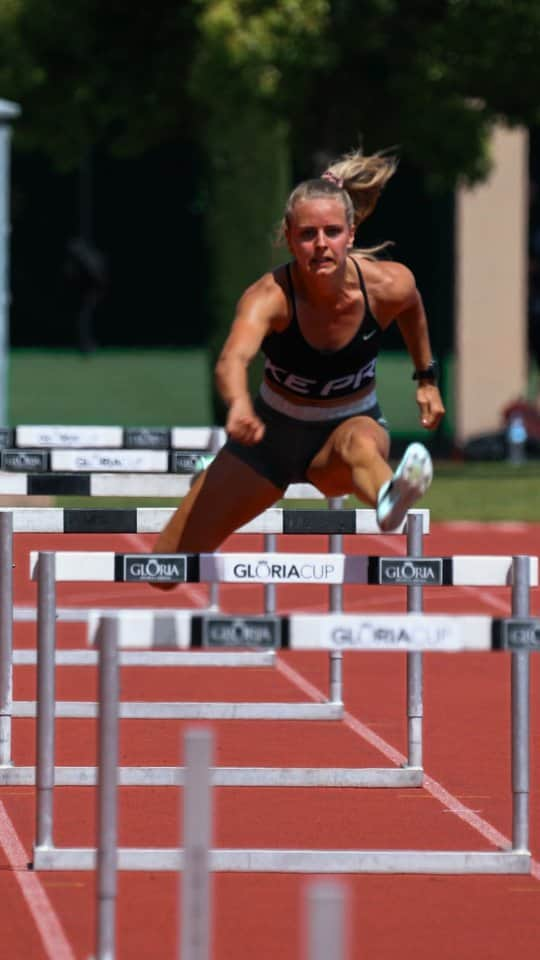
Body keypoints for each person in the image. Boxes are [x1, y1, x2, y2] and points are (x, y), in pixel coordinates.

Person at [152, 148, 445, 574]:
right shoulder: (269, 297)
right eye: (308, 234)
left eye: (332, 232)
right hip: (269, 443)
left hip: (348, 426)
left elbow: (413, 308)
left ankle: (390, 497)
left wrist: (426, 379)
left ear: (350, 234)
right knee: (164, 569)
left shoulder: (388, 285)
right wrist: (237, 403)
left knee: (358, 445)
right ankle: (212, 481)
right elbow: (232, 358)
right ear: (289, 237)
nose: (321, 245)